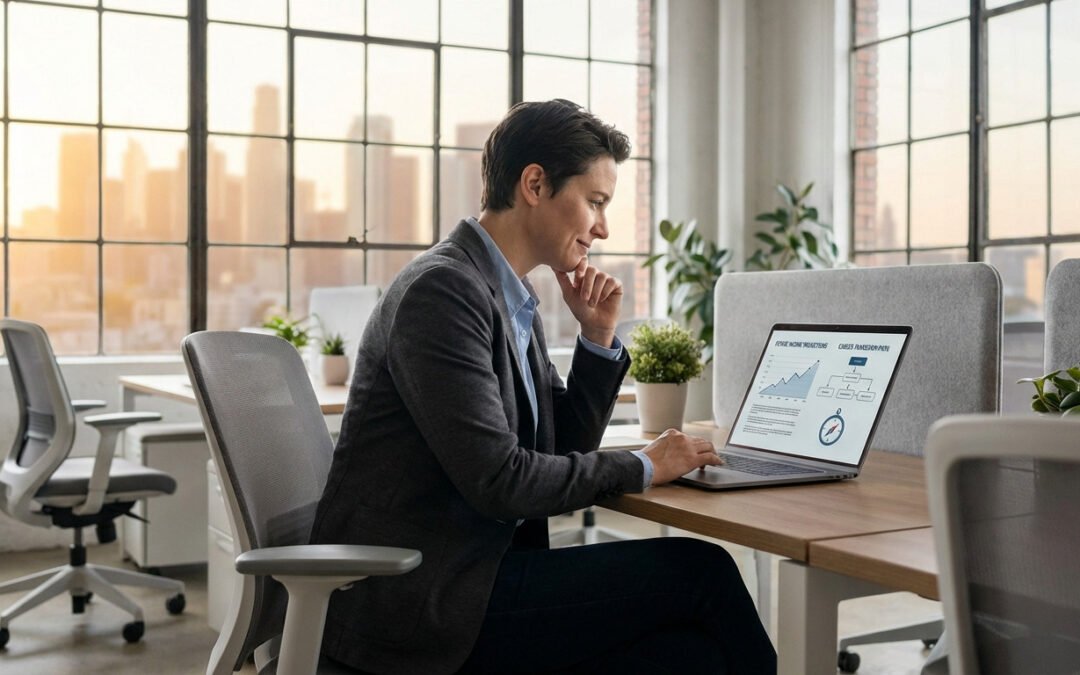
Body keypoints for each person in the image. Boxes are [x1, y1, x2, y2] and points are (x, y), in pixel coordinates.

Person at [310, 99, 775, 674]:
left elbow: (555, 452)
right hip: (420, 596)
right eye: (596, 203)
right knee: (701, 574)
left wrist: (598, 338)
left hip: (470, 575)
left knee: (693, 654)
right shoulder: (444, 292)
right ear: (535, 183)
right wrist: (644, 464)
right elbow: (501, 481)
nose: (602, 228)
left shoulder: (504, 296)